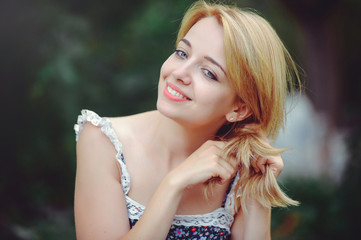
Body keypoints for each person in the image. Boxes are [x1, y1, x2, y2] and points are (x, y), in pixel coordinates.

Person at [74, 1, 300, 239]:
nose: (180, 73)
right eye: (182, 53)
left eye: (209, 73)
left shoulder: (242, 169)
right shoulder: (103, 141)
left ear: (240, 108)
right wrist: (174, 184)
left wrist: (258, 195)